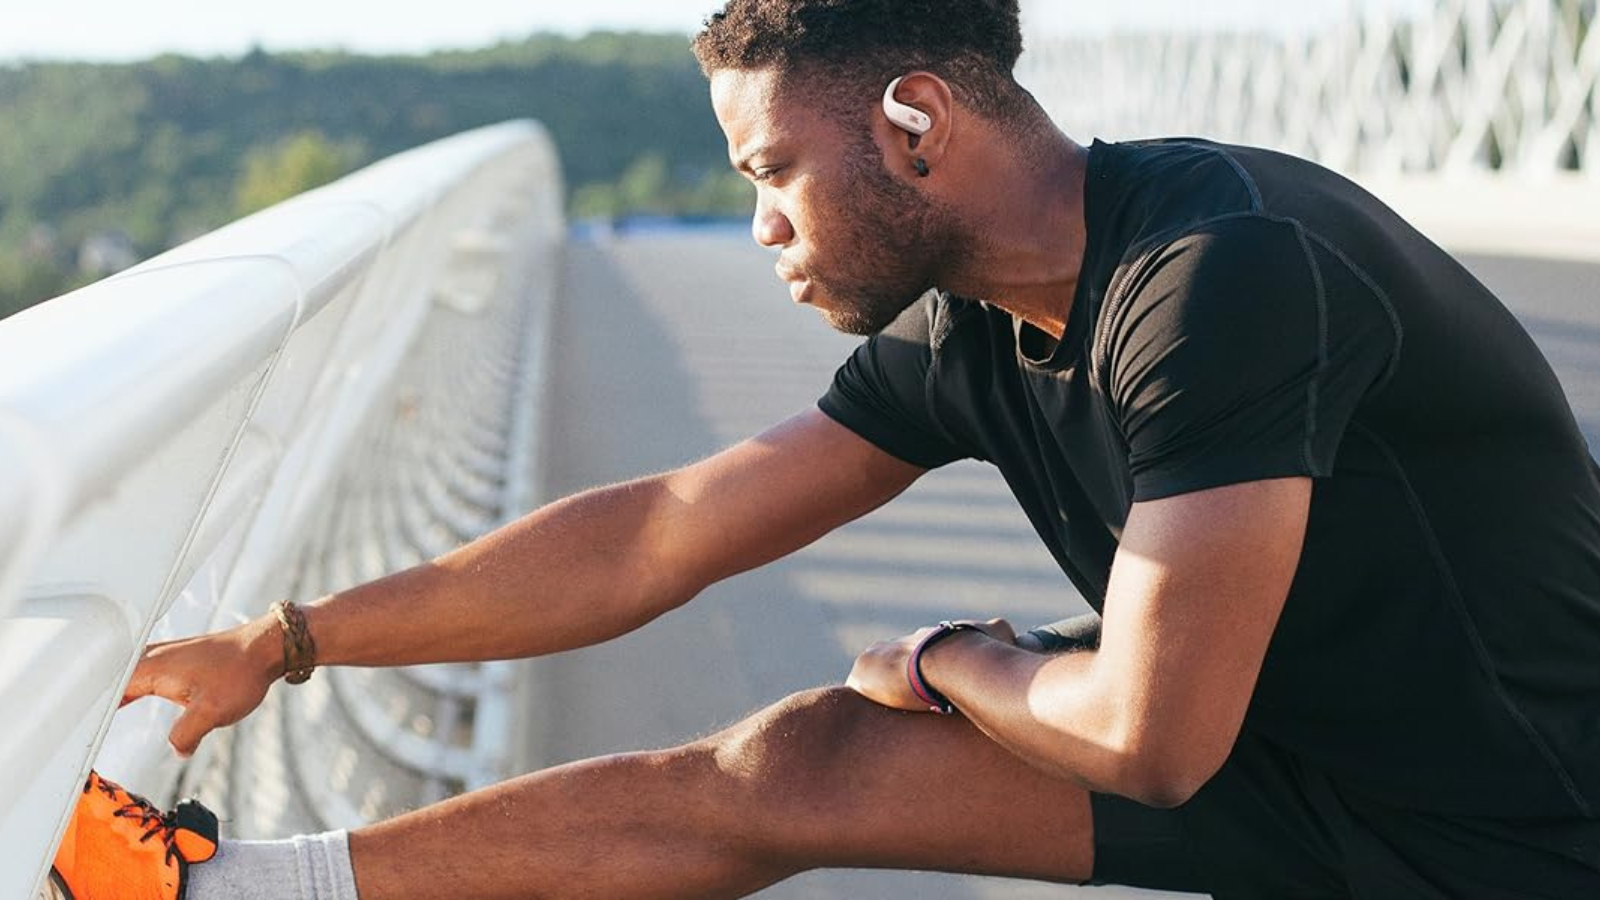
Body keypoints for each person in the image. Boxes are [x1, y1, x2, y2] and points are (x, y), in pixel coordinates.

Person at [49, 1, 1600, 897]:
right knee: (803, 762)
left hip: (1524, 819)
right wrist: (288, 639)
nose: (762, 226)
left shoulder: (1220, 276)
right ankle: (222, 889)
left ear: (915, 122)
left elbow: (1150, 739)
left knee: (899, 721)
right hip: (1295, 743)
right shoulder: (976, 320)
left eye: (773, 168)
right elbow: (664, 529)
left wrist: (948, 660)